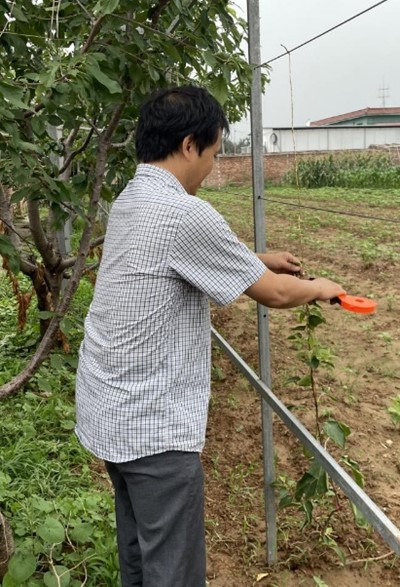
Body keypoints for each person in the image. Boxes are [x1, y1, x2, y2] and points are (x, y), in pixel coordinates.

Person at [75, 86, 345, 587]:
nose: (213, 166)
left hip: (108, 412)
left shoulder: (131, 199)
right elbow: (275, 294)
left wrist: (258, 259)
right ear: (188, 145)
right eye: (215, 153)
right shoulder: (185, 213)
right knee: (173, 571)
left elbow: (178, 255)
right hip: (153, 429)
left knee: (139, 553)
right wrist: (320, 288)